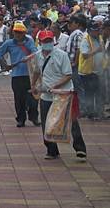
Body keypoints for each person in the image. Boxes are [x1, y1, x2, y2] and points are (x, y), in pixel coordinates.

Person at [32, 30, 87, 161]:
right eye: (45, 41)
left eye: (49, 41)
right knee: (46, 123)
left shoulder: (61, 55)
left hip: (64, 94)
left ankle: (80, 149)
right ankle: (51, 150)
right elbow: (36, 72)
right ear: (40, 42)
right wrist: (33, 85)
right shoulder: (38, 56)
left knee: (71, 121)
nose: (47, 43)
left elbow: (68, 75)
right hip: (47, 95)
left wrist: (55, 86)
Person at [0, 21, 40, 127]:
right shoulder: (9, 43)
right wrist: (5, 65)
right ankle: (21, 119)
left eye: (20, 32)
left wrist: (28, 57)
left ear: (24, 33)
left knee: (33, 98)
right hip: (17, 75)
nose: (18, 35)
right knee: (19, 99)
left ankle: (34, 117)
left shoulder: (29, 41)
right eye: (16, 32)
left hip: (30, 74)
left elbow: (35, 53)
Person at [78, 21, 104, 120]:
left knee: (97, 92)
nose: (97, 32)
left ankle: (97, 112)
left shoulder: (99, 38)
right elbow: (85, 55)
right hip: (87, 72)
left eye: (98, 30)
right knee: (89, 93)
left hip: (97, 71)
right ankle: (90, 113)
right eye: (95, 30)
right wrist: (97, 51)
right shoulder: (85, 40)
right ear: (89, 31)